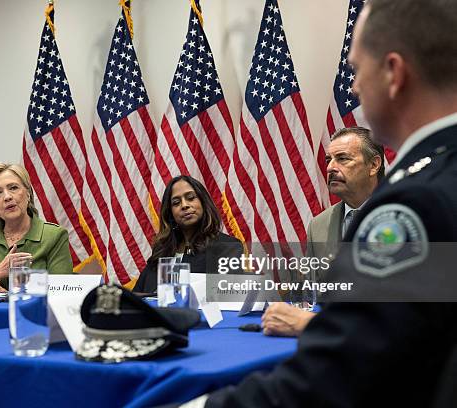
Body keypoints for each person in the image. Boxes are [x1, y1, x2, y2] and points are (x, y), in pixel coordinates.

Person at [180, 0, 457, 406]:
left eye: (356, 70)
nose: (354, 87)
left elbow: (345, 376)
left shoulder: (416, 203)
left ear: (395, 73)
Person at [262, 126, 384, 337]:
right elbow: (312, 293)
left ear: (373, 165)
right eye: (329, 160)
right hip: (331, 340)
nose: (330, 168)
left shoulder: (402, 213)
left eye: (343, 158)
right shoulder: (319, 225)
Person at [0, 162, 73, 293]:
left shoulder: (54, 236)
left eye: (13, 188)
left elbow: (61, 292)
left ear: (28, 193)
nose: (7, 197)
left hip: (33, 313)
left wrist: (6, 296)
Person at [133, 175, 243, 294]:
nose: (184, 205)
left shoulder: (227, 247)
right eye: (176, 203)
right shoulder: (162, 251)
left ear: (203, 203)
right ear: (171, 214)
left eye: (191, 198)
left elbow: (228, 297)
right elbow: (138, 295)